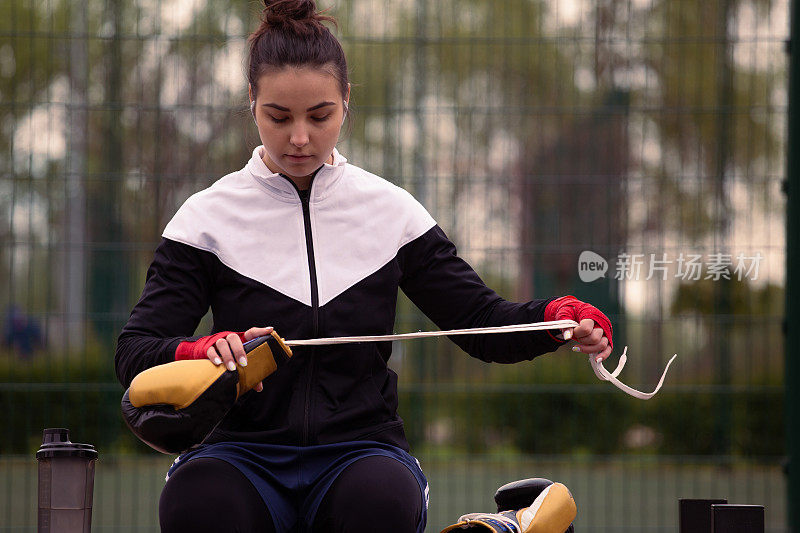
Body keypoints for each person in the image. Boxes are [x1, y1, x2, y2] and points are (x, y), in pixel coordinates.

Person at [114, 1, 613, 531]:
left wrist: (560, 317)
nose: (299, 137)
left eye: (320, 115)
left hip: (361, 453)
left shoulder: (391, 212)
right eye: (278, 117)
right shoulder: (204, 219)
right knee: (197, 506)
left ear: (346, 102)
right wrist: (200, 350)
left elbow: (482, 325)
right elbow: (136, 352)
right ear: (252, 103)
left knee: (378, 506)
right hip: (237, 455)